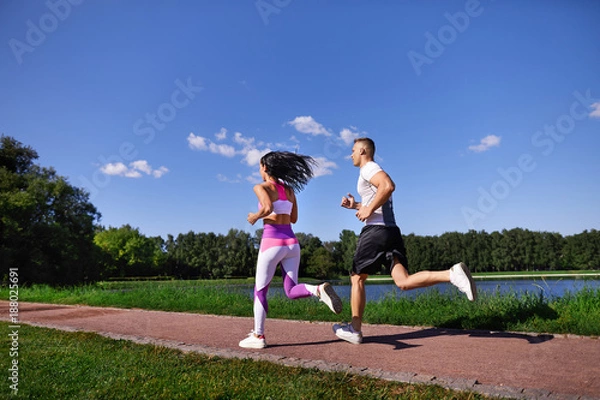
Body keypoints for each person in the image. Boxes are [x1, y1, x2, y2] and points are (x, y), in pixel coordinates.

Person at [333, 138, 477, 345]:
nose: (351, 154)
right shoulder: (370, 171)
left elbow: (388, 186)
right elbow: (379, 196)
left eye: (353, 150)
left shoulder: (369, 168)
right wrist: (356, 205)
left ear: (363, 150)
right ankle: (452, 274)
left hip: (376, 231)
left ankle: (354, 330)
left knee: (357, 278)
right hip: (391, 231)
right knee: (403, 282)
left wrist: (367, 209)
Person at [239, 151, 343, 349]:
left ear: (266, 168)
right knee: (290, 290)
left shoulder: (260, 187)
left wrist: (255, 216)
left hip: (272, 243)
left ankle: (258, 336)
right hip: (292, 244)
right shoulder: (289, 190)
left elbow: (268, 207)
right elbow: (293, 218)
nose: (259, 170)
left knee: (260, 290)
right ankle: (317, 289)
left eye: (260, 166)